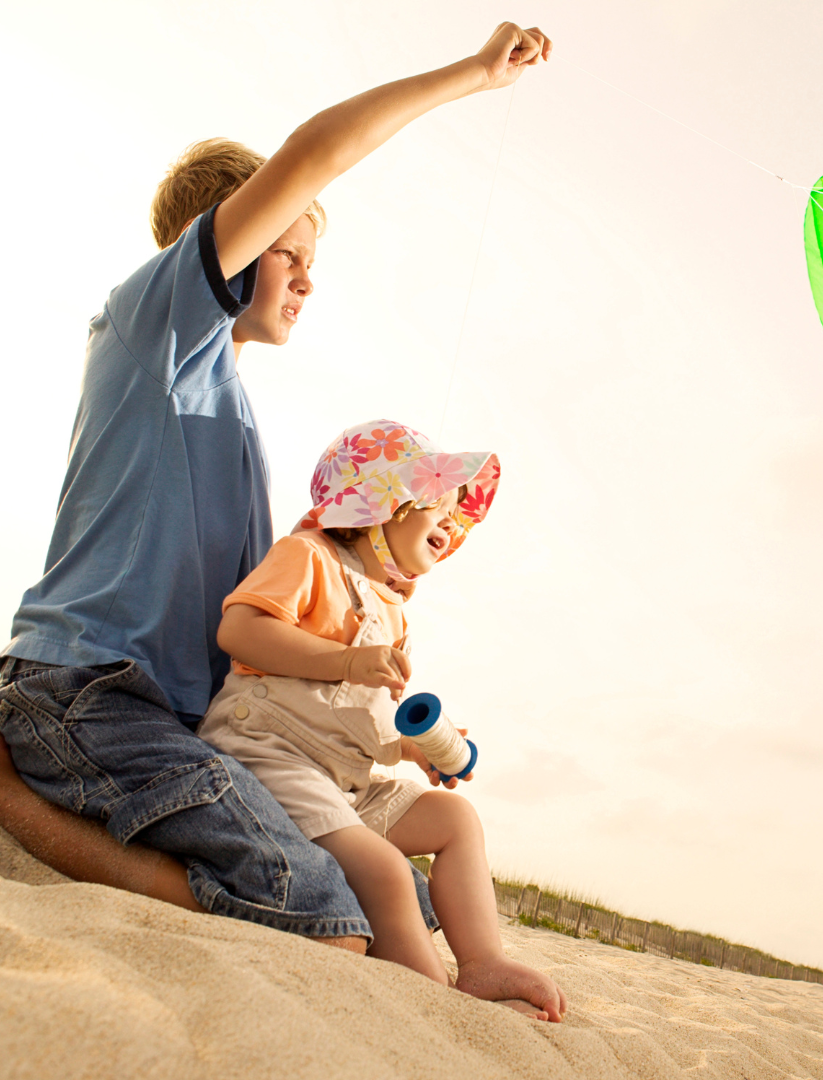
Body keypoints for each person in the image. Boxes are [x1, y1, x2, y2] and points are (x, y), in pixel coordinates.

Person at [0, 22, 552, 973]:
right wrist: (470, 76)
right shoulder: (151, 328)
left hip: (177, 721)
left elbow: (259, 643)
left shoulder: (233, 414)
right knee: (325, 918)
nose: (306, 279)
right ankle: (10, 796)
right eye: (287, 251)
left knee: (402, 911)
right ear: (217, 241)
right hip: (85, 693)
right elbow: (311, 155)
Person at [198, 420, 567, 1020]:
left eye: (455, 513)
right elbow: (238, 630)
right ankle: (431, 1004)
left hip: (344, 778)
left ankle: (480, 963)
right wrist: (345, 658)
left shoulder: (392, 608)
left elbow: (355, 721)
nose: (450, 523)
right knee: (389, 872)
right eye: (436, 505)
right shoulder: (308, 556)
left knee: (454, 818)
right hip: (270, 754)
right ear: (381, 502)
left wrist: (409, 749)